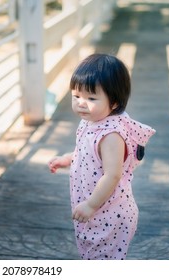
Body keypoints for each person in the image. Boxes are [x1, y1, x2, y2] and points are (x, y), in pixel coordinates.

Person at [48, 53, 155, 260]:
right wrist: (68, 159)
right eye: (76, 96)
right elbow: (87, 153)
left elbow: (112, 174)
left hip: (109, 213)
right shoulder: (91, 121)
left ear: (114, 102)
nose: (81, 103)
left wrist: (90, 205)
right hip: (98, 209)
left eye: (91, 98)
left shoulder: (111, 135)